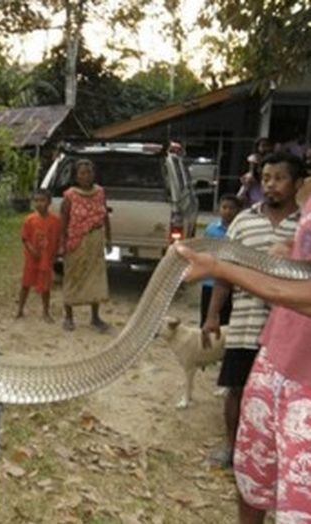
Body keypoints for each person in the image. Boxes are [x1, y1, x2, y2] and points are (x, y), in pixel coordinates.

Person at [176, 169, 311, 524]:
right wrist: (291, 253)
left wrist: (222, 268)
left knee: (300, 507)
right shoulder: (308, 193)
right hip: (275, 355)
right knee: (252, 478)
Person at [202, 152, 301, 478]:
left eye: (279, 178)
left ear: (297, 184)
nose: (271, 185)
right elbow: (224, 273)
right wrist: (213, 315)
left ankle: (277, 456)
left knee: (284, 394)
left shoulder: (304, 226)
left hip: (290, 331)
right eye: (266, 178)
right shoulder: (243, 221)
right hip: (245, 322)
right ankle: (234, 448)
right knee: (236, 387)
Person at [58, 158, 112, 333]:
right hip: (76, 241)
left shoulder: (100, 192)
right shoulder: (70, 196)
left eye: (89, 172)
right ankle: (68, 316)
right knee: (73, 276)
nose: (86, 176)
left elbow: (105, 217)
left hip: (95, 240)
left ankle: (95, 317)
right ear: (76, 176)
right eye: (82, 173)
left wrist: (109, 240)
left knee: (95, 277)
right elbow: (63, 222)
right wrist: (62, 244)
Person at [16, 188, 60, 321]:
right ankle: (20, 310)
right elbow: (25, 238)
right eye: (36, 201)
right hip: (31, 259)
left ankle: (46, 312)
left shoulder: (55, 221)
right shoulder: (29, 220)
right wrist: (31, 250)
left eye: (42, 200)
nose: (39, 203)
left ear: (49, 202)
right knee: (25, 285)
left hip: (46, 259)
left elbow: (57, 239)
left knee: (45, 287)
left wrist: (55, 254)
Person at [199, 193, 240, 327]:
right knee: (206, 318)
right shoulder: (211, 230)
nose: (227, 211)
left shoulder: (239, 231)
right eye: (224, 207)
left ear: (238, 211)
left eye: (232, 208)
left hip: (230, 283)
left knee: (225, 321)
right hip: (210, 282)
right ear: (218, 209)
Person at [237, 137, 273, 208]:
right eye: (263, 146)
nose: (265, 148)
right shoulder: (253, 158)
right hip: (254, 185)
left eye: (267, 145)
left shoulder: (273, 158)